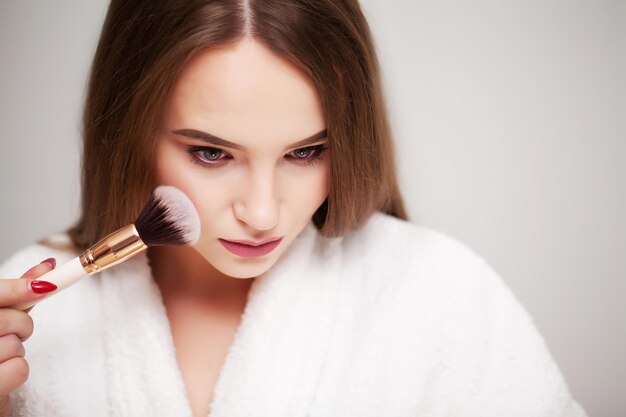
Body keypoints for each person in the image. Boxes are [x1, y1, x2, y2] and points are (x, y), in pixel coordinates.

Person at [0, 1, 587, 416]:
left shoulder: (442, 294)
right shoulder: (35, 323)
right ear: (129, 131)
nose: (261, 212)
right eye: (211, 152)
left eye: (306, 151)